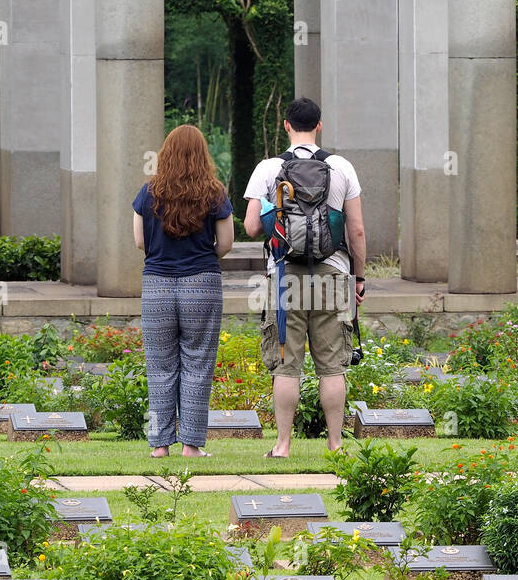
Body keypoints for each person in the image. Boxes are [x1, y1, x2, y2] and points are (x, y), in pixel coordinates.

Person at [243, 97, 366, 456]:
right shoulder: (342, 167)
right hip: (333, 274)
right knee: (331, 368)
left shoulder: (268, 168)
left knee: (286, 366)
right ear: (320, 125)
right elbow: (356, 231)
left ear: (286, 126)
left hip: (283, 277)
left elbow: (250, 227)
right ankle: (336, 443)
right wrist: (359, 278)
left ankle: (282, 446)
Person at [132, 124, 234, 458]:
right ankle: (191, 445)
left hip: (157, 284)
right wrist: (202, 255)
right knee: (198, 363)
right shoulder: (214, 193)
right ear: (202, 154)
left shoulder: (149, 192)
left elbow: (138, 242)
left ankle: (160, 444)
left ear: (166, 154)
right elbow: (227, 244)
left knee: (159, 365)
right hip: (202, 283)